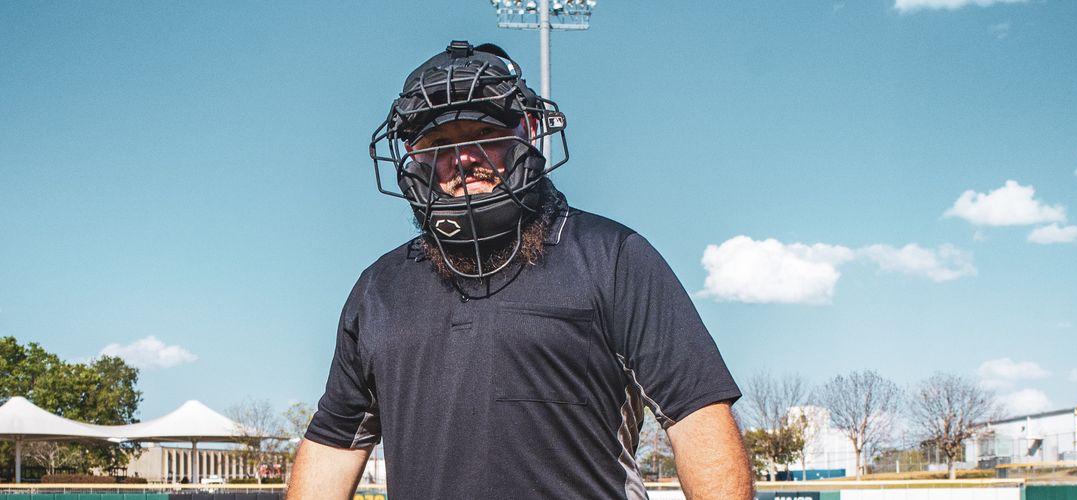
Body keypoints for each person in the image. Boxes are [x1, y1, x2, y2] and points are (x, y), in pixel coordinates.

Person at [288, 40, 750, 499]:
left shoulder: (611, 256)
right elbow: (334, 442)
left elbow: (696, 416)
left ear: (526, 134)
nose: (463, 158)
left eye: (483, 135)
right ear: (414, 160)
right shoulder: (379, 290)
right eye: (439, 144)